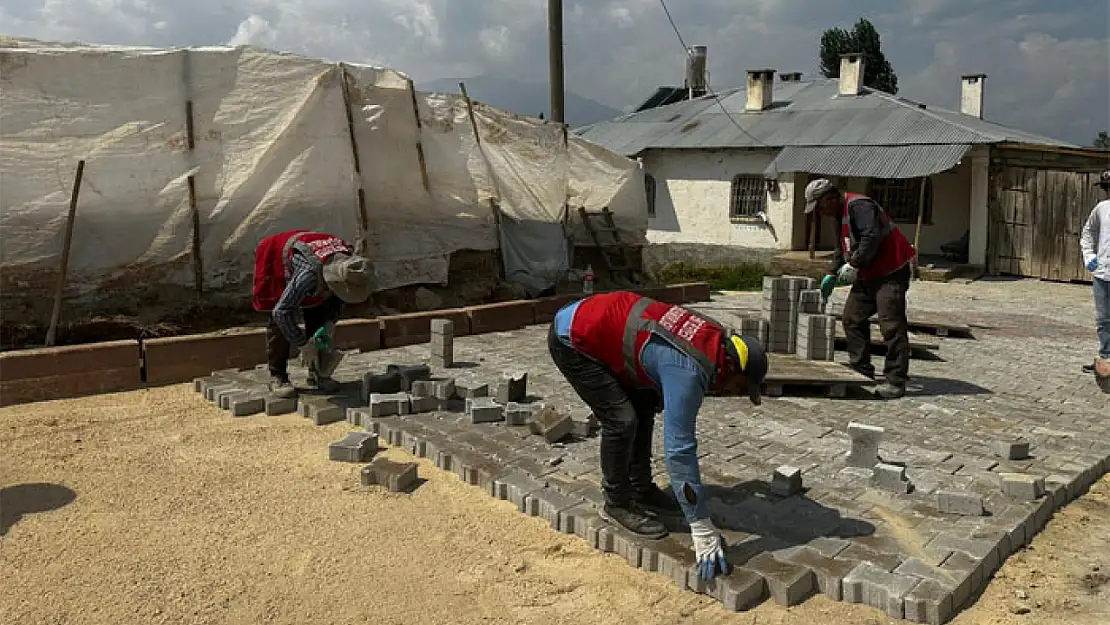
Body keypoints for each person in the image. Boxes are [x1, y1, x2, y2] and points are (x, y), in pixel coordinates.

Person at [548, 291, 769, 582]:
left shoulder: (714, 337)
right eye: (739, 387)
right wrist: (700, 525)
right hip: (573, 337)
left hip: (603, 322)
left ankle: (641, 488)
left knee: (645, 404)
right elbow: (679, 450)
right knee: (621, 420)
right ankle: (617, 502)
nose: (733, 393)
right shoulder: (690, 373)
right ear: (730, 367)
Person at [806, 178, 917, 399]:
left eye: (818, 207)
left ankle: (896, 380)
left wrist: (854, 263)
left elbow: (871, 236)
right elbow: (842, 247)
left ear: (829, 198)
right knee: (852, 319)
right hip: (868, 274)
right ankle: (862, 369)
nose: (819, 212)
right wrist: (831, 271)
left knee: (891, 325)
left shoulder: (860, 206)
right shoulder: (838, 215)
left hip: (890, 272)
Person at [252, 230, 375, 398]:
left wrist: (330, 323)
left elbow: (339, 298)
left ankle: (316, 373)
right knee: (280, 323)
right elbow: (281, 312)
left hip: (315, 262)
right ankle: (277, 376)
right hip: (276, 257)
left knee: (319, 313)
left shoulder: (349, 266)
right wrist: (303, 344)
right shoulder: (308, 275)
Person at [1081, 170, 1110, 377]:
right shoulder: (1101, 209)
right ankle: (1106, 357)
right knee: (1103, 319)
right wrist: (1089, 255)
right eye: (1106, 188)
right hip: (1103, 274)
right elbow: (1087, 233)